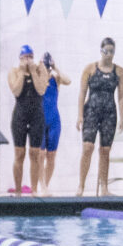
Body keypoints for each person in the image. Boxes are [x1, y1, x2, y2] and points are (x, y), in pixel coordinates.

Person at [77, 38, 122, 197]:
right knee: (87, 147)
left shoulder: (119, 71)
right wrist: (80, 115)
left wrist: (122, 118)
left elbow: (122, 97)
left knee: (105, 150)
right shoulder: (90, 69)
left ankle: (104, 188)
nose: (109, 55)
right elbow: (82, 93)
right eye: (106, 51)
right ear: (101, 50)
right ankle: (81, 186)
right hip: (91, 111)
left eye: (112, 52)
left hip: (109, 112)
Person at [6, 45, 42, 193]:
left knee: (35, 154)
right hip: (20, 115)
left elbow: (41, 90)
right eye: (24, 57)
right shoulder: (14, 71)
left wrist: (33, 72)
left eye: (30, 57)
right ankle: (19, 191)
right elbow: (16, 90)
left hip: (37, 115)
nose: (28, 60)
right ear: (20, 59)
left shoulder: (40, 69)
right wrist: (22, 72)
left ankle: (34, 191)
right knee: (19, 154)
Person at [36, 52, 68, 193]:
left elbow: (69, 80)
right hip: (39, 121)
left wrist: (56, 68)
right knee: (40, 154)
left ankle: (45, 187)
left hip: (54, 120)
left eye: (49, 68)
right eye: (46, 67)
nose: (48, 70)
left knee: (51, 155)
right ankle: (41, 185)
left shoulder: (56, 79)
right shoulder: (36, 79)